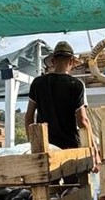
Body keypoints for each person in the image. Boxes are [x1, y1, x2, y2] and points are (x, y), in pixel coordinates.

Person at [25, 41, 99, 169]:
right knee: (74, 181)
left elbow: (28, 117)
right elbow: (82, 121)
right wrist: (94, 152)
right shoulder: (76, 84)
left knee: (47, 180)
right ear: (71, 61)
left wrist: (32, 144)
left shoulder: (38, 83)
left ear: (53, 61)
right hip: (69, 148)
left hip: (45, 147)